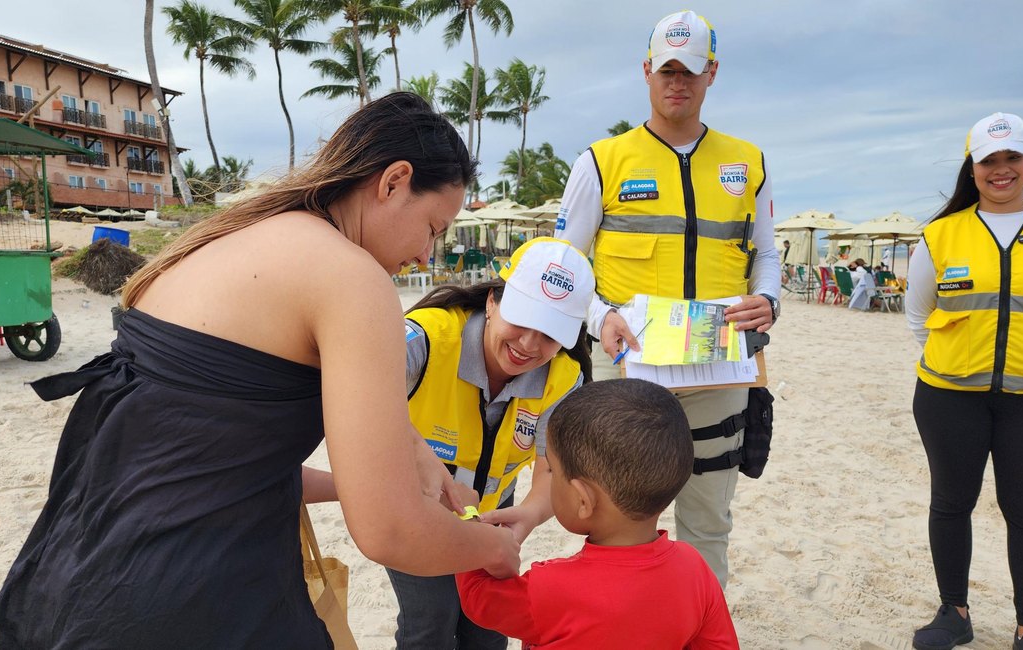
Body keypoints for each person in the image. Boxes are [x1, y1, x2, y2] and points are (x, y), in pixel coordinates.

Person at [0, 92, 521, 649]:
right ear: (393, 181)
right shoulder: (352, 280)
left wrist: (408, 458)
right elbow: (389, 532)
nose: (425, 256)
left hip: (72, 574)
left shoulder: (221, 240)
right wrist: (494, 549)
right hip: (190, 598)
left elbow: (206, 453)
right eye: (434, 228)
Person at [554, 9, 780, 587]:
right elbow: (562, 266)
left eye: (692, 71)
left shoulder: (748, 161)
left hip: (719, 370)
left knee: (707, 522)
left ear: (712, 74)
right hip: (628, 373)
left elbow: (766, 255)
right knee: (617, 521)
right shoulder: (601, 161)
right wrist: (601, 317)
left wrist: (769, 302)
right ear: (648, 70)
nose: (678, 82)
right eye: (668, 70)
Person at [306, 237, 595, 649]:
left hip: (493, 519)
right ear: (493, 301)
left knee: (491, 625)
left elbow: (552, 470)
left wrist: (527, 516)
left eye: (550, 334)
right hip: (412, 513)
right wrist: (413, 462)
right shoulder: (425, 340)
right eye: (523, 321)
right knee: (431, 622)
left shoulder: (563, 378)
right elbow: (343, 384)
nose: (529, 345)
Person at [906, 112, 1023, 650]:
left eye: (1012, 158)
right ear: (971, 170)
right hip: (950, 398)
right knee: (951, 502)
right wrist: (952, 364)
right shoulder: (939, 235)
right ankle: (954, 613)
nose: (1002, 170)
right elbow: (916, 315)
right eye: (989, 161)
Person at [455, 378, 739, 648]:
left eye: (552, 470)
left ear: (583, 500)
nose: (548, 480)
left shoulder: (550, 589)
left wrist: (468, 519)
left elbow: (478, 597)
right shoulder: (695, 569)